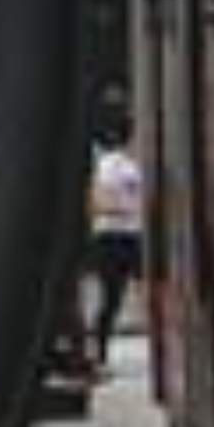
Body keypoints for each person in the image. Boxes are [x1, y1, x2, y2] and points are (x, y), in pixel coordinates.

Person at [82, 96, 144, 376]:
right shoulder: (118, 166)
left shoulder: (114, 166)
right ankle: (98, 351)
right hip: (119, 236)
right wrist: (124, 208)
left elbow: (94, 203)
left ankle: (99, 350)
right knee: (112, 298)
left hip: (115, 236)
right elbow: (97, 203)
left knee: (113, 297)